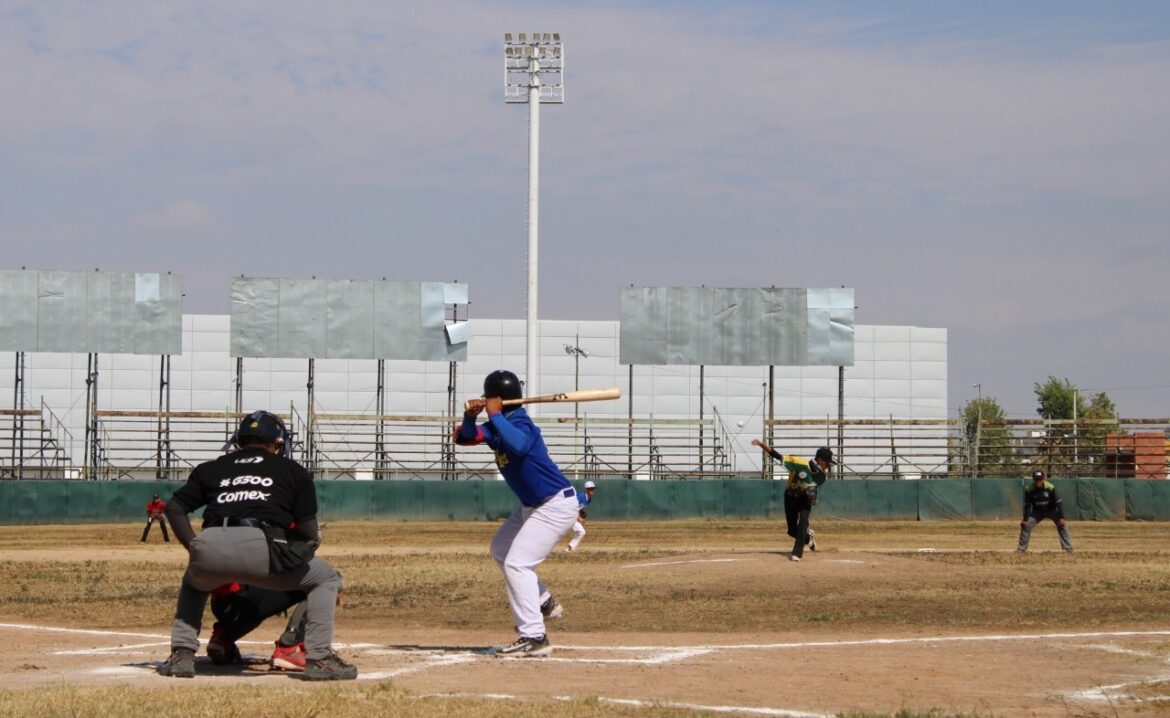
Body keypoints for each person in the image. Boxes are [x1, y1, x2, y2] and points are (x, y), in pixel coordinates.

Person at [158, 410, 356, 680]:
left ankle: (182, 654)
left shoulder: (212, 467)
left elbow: (175, 508)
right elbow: (309, 532)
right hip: (260, 543)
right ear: (277, 443)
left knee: (194, 584)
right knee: (325, 578)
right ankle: (318, 657)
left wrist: (193, 547)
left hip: (210, 543)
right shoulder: (292, 471)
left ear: (239, 441)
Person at [455, 370, 578, 658]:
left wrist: (495, 415)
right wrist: (473, 416)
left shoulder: (520, 421)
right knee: (500, 549)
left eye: (489, 400)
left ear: (497, 400)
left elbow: (521, 445)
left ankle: (534, 637)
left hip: (554, 503)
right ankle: (543, 600)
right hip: (533, 505)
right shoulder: (499, 423)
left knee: (517, 564)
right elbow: (465, 438)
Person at [751, 439, 834, 562]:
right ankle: (807, 537)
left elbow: (812, 489)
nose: (828, 466)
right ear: (820, 460)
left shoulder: (821, 477)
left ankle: (797, 553)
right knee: (791, 531)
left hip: (804, 500)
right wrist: (762, 445)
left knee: (803, 523)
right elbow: (778, 456)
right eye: (827, 463)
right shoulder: (799, 463)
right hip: (790, 497)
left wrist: (811, 493)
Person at [206, 583, 309, 671]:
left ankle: (224, 635)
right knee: (319, 581)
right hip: (244, 597)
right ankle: (289, 646)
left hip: (220, 602)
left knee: (253, 608)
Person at [1017, 470, 1073, 553]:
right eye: (1036, 479)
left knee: (1062, 525)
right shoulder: (1029, 489)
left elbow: (1058, 502)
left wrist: (1062, 517)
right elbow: (1028, 505)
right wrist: (1025, 519)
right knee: (1026, 526)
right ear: (1033, 480)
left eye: (1040, 479)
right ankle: (1021, 549)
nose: (1038, 481)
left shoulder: (1050, 487)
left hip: (1051, 510)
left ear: (1043, 479)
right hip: (1037, 512)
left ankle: (1068, 547)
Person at [565, 480, 597, 552]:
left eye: (593, 488)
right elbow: (572, 506)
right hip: (567, 514)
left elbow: (580, 508)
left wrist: (582, 514)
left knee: (581, 532)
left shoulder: (589, 499)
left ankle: (569, 548)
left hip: (571, 516)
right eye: (590, 488)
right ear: (586, 489)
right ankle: (569, 548)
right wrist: (578, 517)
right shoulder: (581, 496)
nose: (592, 490)